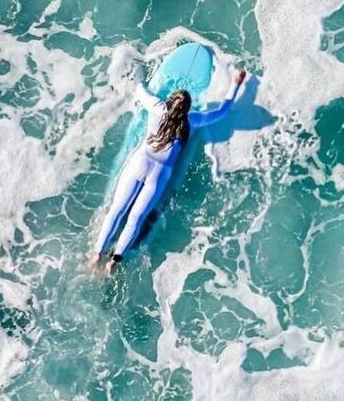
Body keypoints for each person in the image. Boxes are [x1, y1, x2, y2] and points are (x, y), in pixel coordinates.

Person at [88, 66, 247, 274]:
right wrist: (236, 83)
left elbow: (139, 89)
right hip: (159, 174)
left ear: (169, 102)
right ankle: (114, 261)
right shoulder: (192, 120)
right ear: (187, 109)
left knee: (117, 210)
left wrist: (142, 74)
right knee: (135, 219)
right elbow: (221, 112)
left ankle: (97, 254)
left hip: (140, 163)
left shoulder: (157, 107)